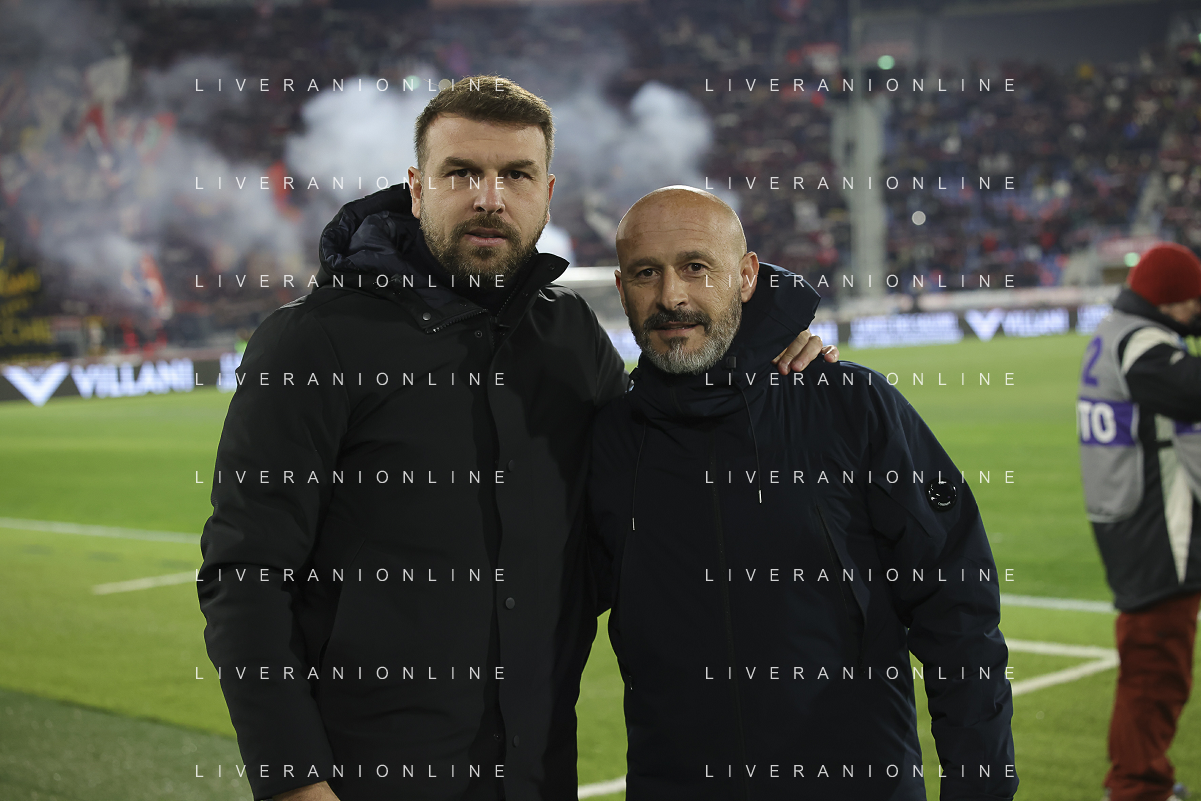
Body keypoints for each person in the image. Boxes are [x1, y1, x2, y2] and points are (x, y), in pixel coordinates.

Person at [197, 77, 834, 801]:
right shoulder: (312, 343)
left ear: (547, 193)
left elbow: (656, 464)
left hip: (535, 777)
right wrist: (293, 781)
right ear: (417, 188)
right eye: (461, 173)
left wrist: (765, 357)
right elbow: (244, 573)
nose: (490, 198)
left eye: (516, 175)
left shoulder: (568, 336)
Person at [587, 186, 1018, 800]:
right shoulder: (605, 442)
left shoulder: (849, 406)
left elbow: (958, 608)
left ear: (746, 276)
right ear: (621, 286)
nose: (671, 296)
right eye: (645, 273)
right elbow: (541, 620)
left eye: (696, 267)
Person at [1077, 242, 1201, 801]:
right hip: (1157, 528)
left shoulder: (1116, 331)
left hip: (1127, 515)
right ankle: (1137, 787)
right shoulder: (1143, 343)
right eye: (1192, 301)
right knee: (1155, 667)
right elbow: (1191, 390)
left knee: (1152, 661)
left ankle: (1143, 780)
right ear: (1169, 299)